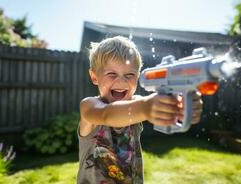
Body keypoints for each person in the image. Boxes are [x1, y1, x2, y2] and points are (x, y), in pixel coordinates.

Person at [77, 36, 203, 184]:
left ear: (137, 77)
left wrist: (184, 107)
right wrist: (146, 108)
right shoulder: (89, 106)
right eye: (111, 74)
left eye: (129, 75)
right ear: (94, 76)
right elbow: (106, 114)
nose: (122, 81)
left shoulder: (137, 103)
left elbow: (151, 105)